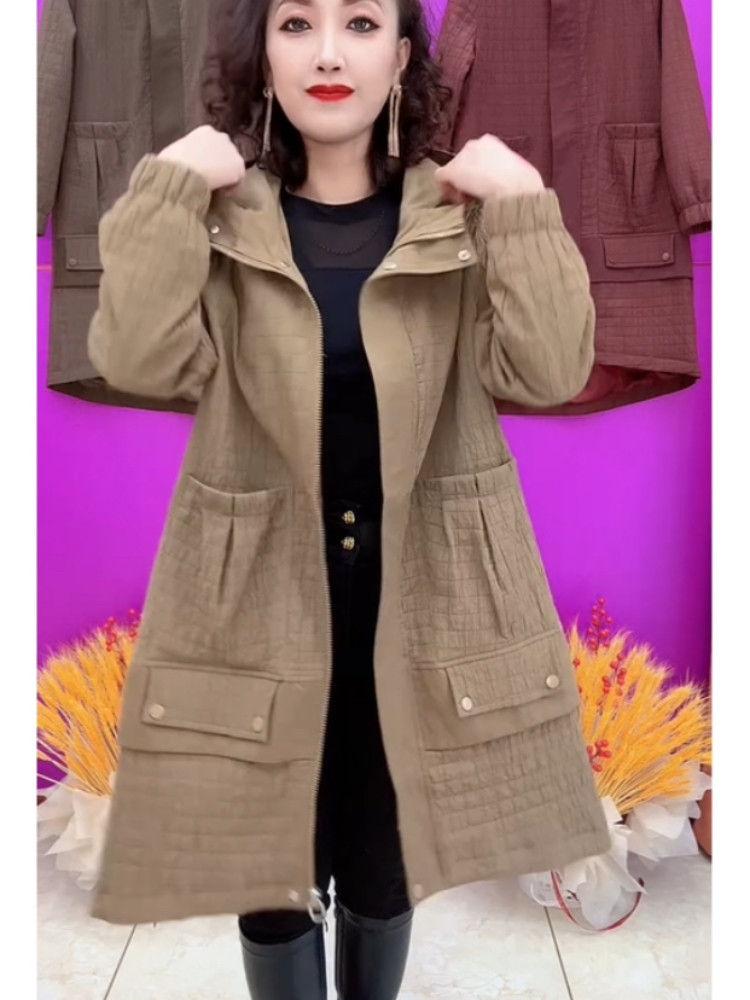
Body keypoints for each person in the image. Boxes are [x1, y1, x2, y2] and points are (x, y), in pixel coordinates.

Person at [88, 0, 610, 997]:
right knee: (270, 876)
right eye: (296, 24)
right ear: (263, 55)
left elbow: (548, 372)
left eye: (361, 23)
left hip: (419, 602)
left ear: (403, 56)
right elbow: (138, 358)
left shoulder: (455, 219)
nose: (328, 53)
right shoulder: (225, 220)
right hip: (258, 606)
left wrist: (523, 203)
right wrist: (167, 188)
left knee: (384, 866)